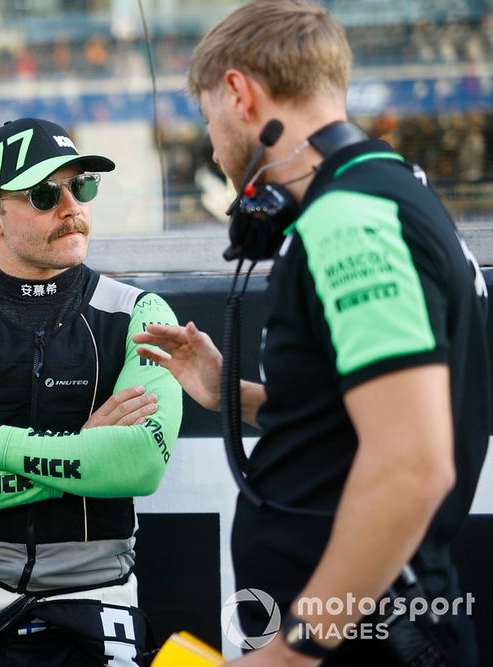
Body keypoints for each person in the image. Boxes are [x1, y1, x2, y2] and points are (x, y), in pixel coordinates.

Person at [135, 1, 490, 664]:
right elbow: (360, 418)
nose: (213, 146)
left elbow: (414, 463)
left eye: (210, 117)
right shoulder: (382, 192)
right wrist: (230, 393)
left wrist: (295, 648)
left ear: (240, 93)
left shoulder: (350, 218)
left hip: (366, 639)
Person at [0, 117, 183, 665]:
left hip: (98, 591)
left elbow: (139, 467)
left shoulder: (143, 314)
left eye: (82, 187)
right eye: (45, 193)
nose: (72, 207)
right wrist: (82, 457)